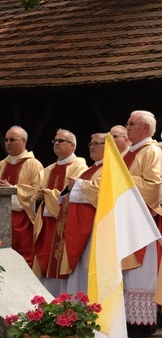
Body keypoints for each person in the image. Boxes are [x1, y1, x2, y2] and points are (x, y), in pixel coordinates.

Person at [31, 129, 87, 295]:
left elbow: (72, 193)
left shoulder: (80, 167)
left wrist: (48, 193)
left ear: (72, 145)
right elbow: (34, 190)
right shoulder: (48, 169)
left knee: (59, 261)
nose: (56, 143)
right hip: (45, 223)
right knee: (44, 260)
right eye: (55, 140)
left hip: (63, 223)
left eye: (61, 141)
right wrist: (39, 194)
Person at [122, 110, 162, 337]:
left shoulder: (152, 152)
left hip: (143, 222)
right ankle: (127, 319)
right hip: (126, 219)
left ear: (145, 128)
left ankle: (141, 323)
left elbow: (153, 185)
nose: (127, 127)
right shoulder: (130, 152)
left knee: (140, 274)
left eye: (132, 124)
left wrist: (122, 180)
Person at [53, 133, 107, 295]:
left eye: (97, 143)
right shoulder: (91, 170)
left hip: (93, 229)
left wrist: (78, 185)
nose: (91, 146)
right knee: (76, 273)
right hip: (78, 229)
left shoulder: (108, 169)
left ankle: (83, 311)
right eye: (91, 143)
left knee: (84, 273)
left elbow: (103, 193)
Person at [0, 126, 43, 267]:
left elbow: (37, 191)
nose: (8, 143)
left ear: (24, 141)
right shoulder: (2, 164)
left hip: (23, 221)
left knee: (23, 262)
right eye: (6, 140)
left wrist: (12, 190)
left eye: (12, 139)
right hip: (2, 219)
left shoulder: (34, 164)